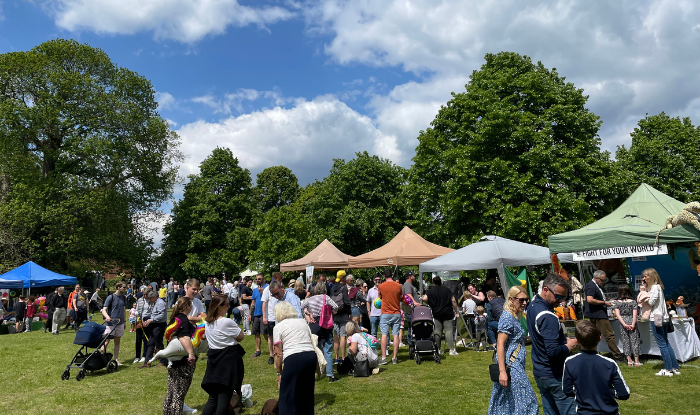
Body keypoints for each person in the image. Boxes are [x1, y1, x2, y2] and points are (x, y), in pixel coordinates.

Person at [527, 273, 578, 415]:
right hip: (554, 374)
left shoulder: (532, 306)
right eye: (558, 296)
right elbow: (553, 351)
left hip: (540, 372)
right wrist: (570, 345)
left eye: (563, 297)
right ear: (545, 290)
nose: (560, 300)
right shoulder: (547, 316)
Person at [488, 286, 538, 415]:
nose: (525, 303)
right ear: (511, 299)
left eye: (526, 300)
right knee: (528, 402)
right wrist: (502, 372)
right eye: (521, 300)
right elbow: (500, 344)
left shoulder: (514, 316)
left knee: (507, 403)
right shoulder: (507, 317)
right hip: (512, 367)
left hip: (514, 366)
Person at [562, 321, 630, 413]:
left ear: (577, 340)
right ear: (599, 339)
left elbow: (567, 390)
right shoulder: (609, 363)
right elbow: (624, 394)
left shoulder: (570, 362)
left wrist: (582, 392)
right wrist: (607, 391)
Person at [201, 294, 245, 415]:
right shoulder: (226, 322)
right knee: (224, 398)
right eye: (226, 304)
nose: (228, 306)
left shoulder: (208, 323)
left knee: (213, 398)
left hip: (214, 361)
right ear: (219, 306)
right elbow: (241, 337)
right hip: (227, 363)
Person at [273, 301, 317, 415]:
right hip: (310, 356)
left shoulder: (278, 327)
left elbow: (278, 353)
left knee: (288, 394)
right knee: (306, 393)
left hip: (294, 357)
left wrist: (279, 373)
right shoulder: (302, 322)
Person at [162, 297, 198, 415]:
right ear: (187, 306)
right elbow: (184, 337)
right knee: (179, 396)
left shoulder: (174, 319)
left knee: (170, 394)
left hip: (172, 361)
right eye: (191, 305)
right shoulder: (184, 320)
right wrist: (191, 353)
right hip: (184, 362)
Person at [643, 268, 681, 376]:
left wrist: (644, 295)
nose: (644, 278)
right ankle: (675, 367)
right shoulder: (658, 287)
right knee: (666, 343)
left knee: (662, 344)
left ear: (651, 276)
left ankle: (668, 369)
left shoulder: (654, 287)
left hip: (656, 317)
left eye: (646, 276)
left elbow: (651, 302)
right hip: (663, 317)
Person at [302, 282, 340, 382]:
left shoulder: (309, 299)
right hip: (325, 325)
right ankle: (330, 375)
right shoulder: (326, 297)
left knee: (315, 350)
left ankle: (316, 373)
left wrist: (308, 314)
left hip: (314, 325)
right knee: (328, 350)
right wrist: (331, 312)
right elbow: (335, 306)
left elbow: (302, 307)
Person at [584, 270, 624, 361]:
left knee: (595, 335)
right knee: (609, 335)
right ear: (597, 278)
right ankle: (618, 355)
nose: (604, 282)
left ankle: (591, 353)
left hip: (596, 313)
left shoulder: (594, 285)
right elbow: (590, 300)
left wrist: (608, 301)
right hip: (598, 315)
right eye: (602, 280)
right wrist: (604, 302)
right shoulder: (591, 286)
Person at [422, 276, 460, 356]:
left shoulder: (431, 291)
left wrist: (430, 304)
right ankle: (451, 350)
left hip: (436, 313)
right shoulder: (447, 290)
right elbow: (453, 300)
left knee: (437, 330)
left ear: (433, 283)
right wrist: (456, 311)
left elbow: (424, 298)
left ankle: (438, 349)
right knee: (449, 331)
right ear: (441, 282)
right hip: (447, 312)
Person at [377, 268, 403, 364]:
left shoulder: (381, 286)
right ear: (392, 275)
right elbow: (401, 297)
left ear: (384, 276)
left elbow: (379, 298)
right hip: (396, 313)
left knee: (384, 334)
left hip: (385, 313)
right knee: (395, 335)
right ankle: (395, 358)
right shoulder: (398, 286)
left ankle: (384, 357)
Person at [613, 285, 641, 367]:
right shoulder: (633, 302)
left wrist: (624, 324)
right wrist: (632, 324)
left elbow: (618, 314)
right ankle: (636, 360)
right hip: (632, 321)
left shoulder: (617, 302)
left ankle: (629, 360)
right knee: (635, 340)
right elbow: (635, 314)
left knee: (625, 341)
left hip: (623, 322)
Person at [141, 291, 169, 368]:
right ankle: (147, 362)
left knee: (158, 344)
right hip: (155, 325)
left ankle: (163, 361)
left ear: (154, 297)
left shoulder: (160, 303)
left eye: (150, 298)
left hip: (160, 326)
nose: (149, 300)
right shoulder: (156, 303)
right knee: (150, 343)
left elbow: (161, 316)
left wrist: (151, 320)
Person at [101, 282, 127, 364]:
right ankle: (101, 358)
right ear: (118, 288)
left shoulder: (123, 297)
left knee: (117, 341)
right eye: (124, 287)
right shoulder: (111, 297)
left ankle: (116, 360)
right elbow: (104, 310)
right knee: (106, 341)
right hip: (111, 323)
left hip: (120, 323)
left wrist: (125, 321)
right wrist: (107, 317)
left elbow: (123, 310)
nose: (125, 288)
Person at [262, 273, 285, 365]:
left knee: (281, 336)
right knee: (270, 336)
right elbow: (264, 303)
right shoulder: (267, 289)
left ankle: (281, 353)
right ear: (275, 279)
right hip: (271, 317)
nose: (280, 281)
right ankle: (271, 355)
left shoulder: (281, 288)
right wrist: (264, 316)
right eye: (279, 279)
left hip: (280, 316)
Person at [331, 270, 351, 364]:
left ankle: (336, 357)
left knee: (336, 336)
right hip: (343, 314)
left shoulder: (332, 287)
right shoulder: (344, 288)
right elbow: (346, 301)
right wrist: (349, 312)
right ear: (343, 278)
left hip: (335, 314)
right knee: (343, 336)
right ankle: (343, 357)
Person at [250, 274, 269, 359]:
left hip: (264, 313)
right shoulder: (254, 290)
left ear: (263, 279)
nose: (258, 280)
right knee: (256, 333)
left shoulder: (267, 288)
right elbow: (253, 303)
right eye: (257, 279)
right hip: (256, 314)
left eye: (259, 279)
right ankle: (258, 351)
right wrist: (250, 314)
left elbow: (269, 300)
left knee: (265, 332)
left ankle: (273, 348)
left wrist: (262, 292)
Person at [401, 271, 420, 347]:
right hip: (410, 310)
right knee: (411, 327)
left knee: (412, 327)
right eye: (413, 276)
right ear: (410, 277)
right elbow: (408, 294)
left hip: (411, 310)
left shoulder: (408, 285)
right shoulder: (408, 285)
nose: (414, 277)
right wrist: (415, 302)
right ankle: (411, 344)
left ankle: (414, 342)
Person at [133, 288, 150, 364]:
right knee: (138, 339)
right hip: (139, 322)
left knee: (146, 339)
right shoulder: (140, 300)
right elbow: (137, 310)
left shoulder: (151, 301)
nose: (145, 296)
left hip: (147, 322)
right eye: (144, 294)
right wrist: (137, 316)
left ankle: (144, 355)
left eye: (147, 294)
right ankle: (137, 356)